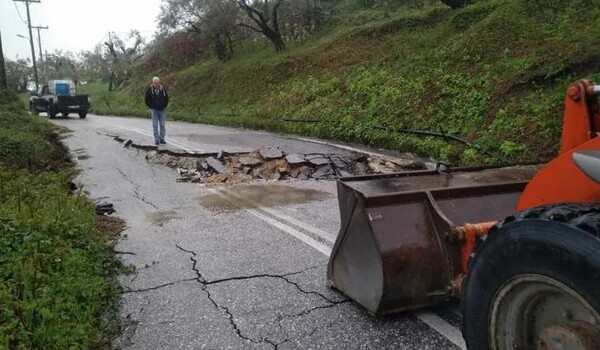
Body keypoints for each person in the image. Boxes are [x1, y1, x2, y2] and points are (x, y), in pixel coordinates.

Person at [144, 77, 169, 145]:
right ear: (153, 83)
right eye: (155, 83)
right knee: (155, 125)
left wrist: (164, 106)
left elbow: (166, 98)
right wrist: (151, 106)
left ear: (159, 83)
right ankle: (157, 139)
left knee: (162, 125)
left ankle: (162, 139)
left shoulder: (162, 89)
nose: (156, 84)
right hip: (154, 110)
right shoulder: (149, 90)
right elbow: (146, 99)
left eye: (157, 83)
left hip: (162, 110)